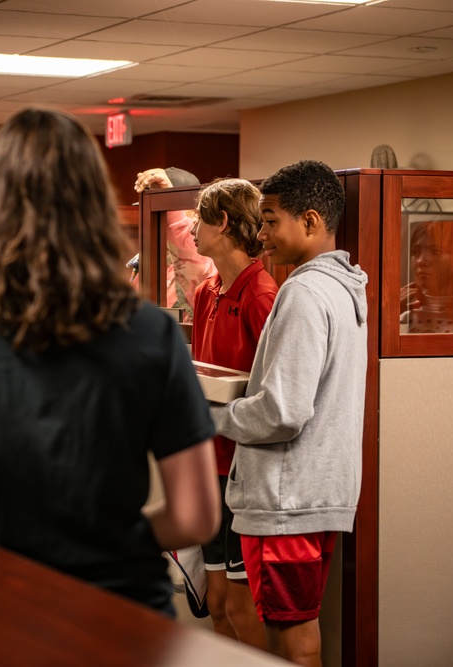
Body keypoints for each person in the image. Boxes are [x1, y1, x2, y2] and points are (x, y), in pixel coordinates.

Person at [0, 107, 221, 615]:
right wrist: (98, 533)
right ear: (93, 202)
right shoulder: (149, 331)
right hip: (121, 616)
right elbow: (194, 515)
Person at [209, 160, 368, 667]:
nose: (263, 234)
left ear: (312, 221)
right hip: (315, 496)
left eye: (272, 219)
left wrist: (209, 417)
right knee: (296, 633)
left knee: (290, 643)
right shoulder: (343, 287)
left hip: (286, 503)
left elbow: (282, 412)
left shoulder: (302, 292)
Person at [190, 178, 278, 648]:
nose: (191, 232)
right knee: (218, 601)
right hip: (208, 465)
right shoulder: (207, 291)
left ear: (222, 223)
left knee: (244, 608)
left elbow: (275, 395)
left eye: (199, 220)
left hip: (244, 472)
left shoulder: (261, 295)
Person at [132, 167, 214, 321]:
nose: (155, 220)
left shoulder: (204, 253)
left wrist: (168, 201)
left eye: (163, 214)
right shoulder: (150, 257)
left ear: (195, 214)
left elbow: (183, 236)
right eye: (149, 212)